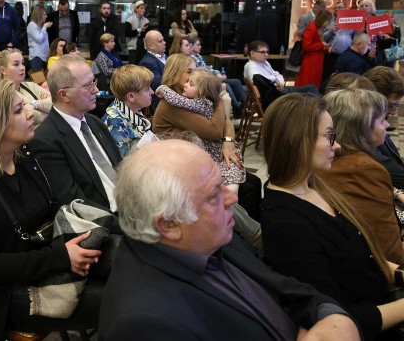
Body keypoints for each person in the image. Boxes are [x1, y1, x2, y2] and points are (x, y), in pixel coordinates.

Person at [98, 139, 360, 341]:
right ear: (169, 224)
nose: (232, 198)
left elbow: (287, 288)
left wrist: (332, 316)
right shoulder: (141, 324)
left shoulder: (209, 236)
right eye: (214, 195)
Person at [0, 79, 102, 341]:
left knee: (126, 261)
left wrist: (75, 245)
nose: (30, 112)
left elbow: (52, 213)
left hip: (47, 261)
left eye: (25, 106)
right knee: (117, 295)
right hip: (7, 294)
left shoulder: (24, 160)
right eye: (18, 110)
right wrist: (60, 257)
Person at [261, 93, 404, 341]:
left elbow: (366, 260)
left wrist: (398, 272)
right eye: (329, 136)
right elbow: (338, 319)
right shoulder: (286, 225)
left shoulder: (317, 186)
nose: (337, 146)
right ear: (299, 142)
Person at [319, 89, 404, 264]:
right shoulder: (364, 169)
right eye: (382, 120)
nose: (387, 125)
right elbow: (389, 249)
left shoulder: (327, 158)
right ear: (361, 129)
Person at [29, 55, 122, 212]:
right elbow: (75, 204)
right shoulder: (46, 140)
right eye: (87, 86)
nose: (96, 90)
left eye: (94, 82)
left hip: (130, 206)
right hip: (107, 222)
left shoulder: (95, 123)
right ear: (64, 95)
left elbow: (120, 168)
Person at [155, 68, 245, 189]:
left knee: (231, 179)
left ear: (202, 92)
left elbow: (218, 128)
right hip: (183, 159)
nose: (187, 82)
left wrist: (162, 88)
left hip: (211, 152)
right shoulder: (204, 100)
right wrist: (219, 99)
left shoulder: (198, 102)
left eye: (191, 83)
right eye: (188, 71)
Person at [363, 66, 404, 190]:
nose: (393, 112)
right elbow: (383, 163)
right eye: (391, 106)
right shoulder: (362, 126)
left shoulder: (374, 119)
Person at [101, 64, 154, 157]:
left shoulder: (131, 109)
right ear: (131, 96)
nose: (152, 92)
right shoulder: (115, 123)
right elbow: (125, 164)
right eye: (147, 89)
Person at [0, 48, 52, 127]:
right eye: (16, 64)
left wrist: (35, 104)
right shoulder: (0, 94)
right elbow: (26, 117)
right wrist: (45, 106)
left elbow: (56, 103)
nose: (22, 68)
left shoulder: (31, 85)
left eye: (22, 63)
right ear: (3, 70)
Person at [244, 40, 319, 94]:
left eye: (267, 52)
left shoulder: (264, 62)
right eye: (262, 52)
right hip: (273, 94)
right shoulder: (251, 66)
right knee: (311, 89)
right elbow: (256, 80)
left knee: (311, 89)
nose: (266, 55)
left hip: (278, 89)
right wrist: (275, 80)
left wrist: (281, 82)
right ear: (252, 53)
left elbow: (276, 73)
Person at [296, 10, 333, 90]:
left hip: (316, 60)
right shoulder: (312, 28)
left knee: (314, 82)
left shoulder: (317, 28)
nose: (329, 24)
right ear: (323, 19)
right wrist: (321, 44)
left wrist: (324, 47)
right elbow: (306, 46)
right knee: (309, 81)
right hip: (311, 61)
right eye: (328, 21)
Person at [139, 30, 167, 113]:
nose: (164, 43)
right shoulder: (147, 62)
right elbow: (159, 85)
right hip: (161, 104)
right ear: (151, 46)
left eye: (163, 40)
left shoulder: (166, 57)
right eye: (160, 41)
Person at [124, 0, 150, 64]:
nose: (144, 10)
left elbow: (147, 34)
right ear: (136, 9)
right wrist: (140, 30)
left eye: (144, 8)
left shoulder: (146, 20)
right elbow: (127, 33)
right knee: (132, 64)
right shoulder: (129, 20)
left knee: (142, 63)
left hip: (143, 45)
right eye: (141, 8)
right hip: (133, 45)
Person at [26, 5, 52, 71]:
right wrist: (45, 27)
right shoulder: (32, 25)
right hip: (36, 56)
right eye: (44, 15)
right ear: (39, 15)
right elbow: (39, 39)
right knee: (38, 78)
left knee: (44, 77)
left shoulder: (40, 26)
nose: (46, 16)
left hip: (44, 56)